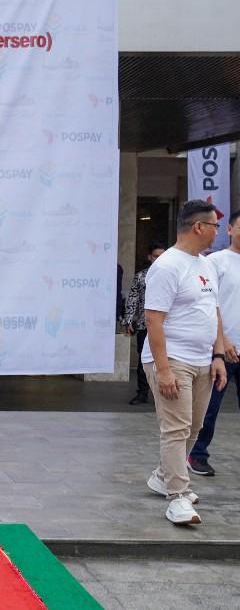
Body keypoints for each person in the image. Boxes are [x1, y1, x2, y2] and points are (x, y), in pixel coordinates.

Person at [142, 199, 228, 525]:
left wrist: (218, 354)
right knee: (176, 429)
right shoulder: (167, 266)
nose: (217, 231)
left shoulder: (206, 265)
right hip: (172, 359)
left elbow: (213, 312)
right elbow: (153, 320)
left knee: (194, 426)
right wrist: (162, 370)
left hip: (203, 359)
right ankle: (177, 496)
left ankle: (164, 475)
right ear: (198, 227)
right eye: (214, 226)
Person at [188, 210, 240, 476]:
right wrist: (224, 342)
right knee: (209, 408)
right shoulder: (216, 262)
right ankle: (197, 455)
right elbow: (212, 305)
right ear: (230, 229)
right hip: (222, 350)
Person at [123, 242, 167, 405]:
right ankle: (142, 392)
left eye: (163, 255)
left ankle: (164, 394)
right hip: (144, 324)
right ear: (149, 257)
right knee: (144, 359)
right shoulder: (142, 276)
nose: (159, 259)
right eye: (156, 256)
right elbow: (133, 298)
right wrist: (128, 319)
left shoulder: (174, 275)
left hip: (168, 325)